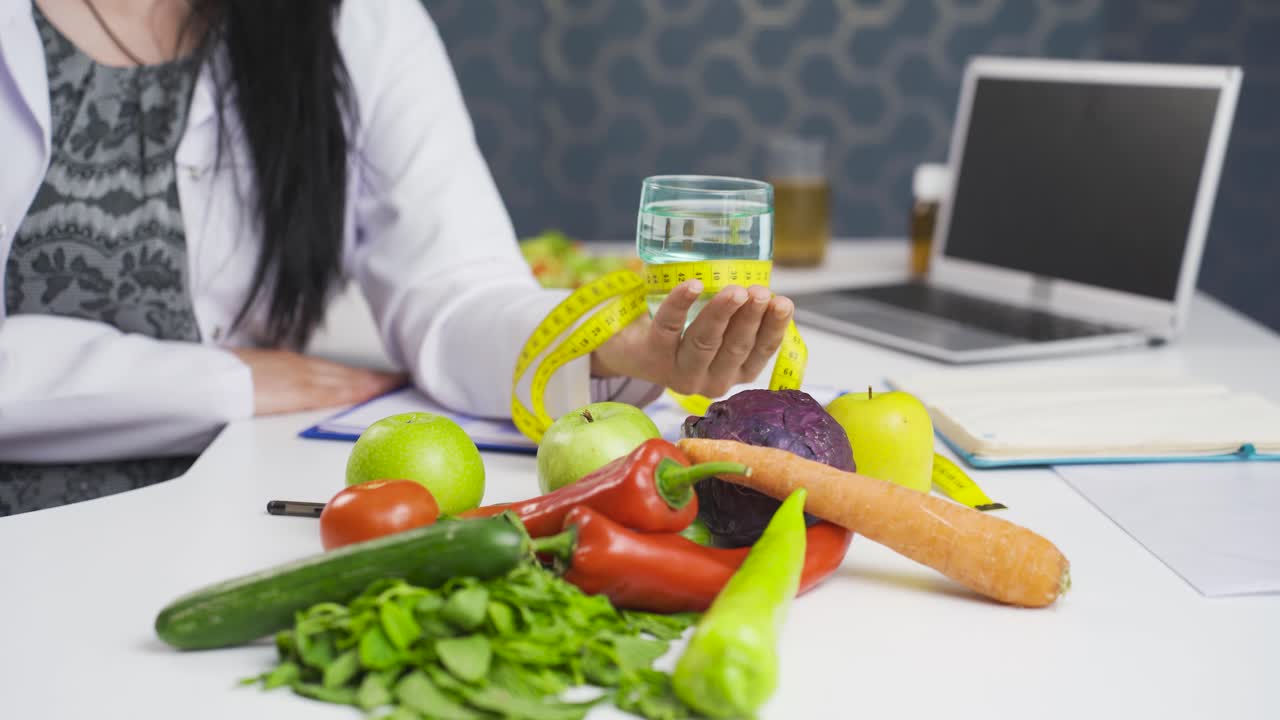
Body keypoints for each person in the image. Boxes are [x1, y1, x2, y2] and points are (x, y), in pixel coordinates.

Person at [0, 0, 795, 516]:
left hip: (232, 499)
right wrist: (220, 378)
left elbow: (453, 284)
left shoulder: (362, 22)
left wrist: (606, 344)